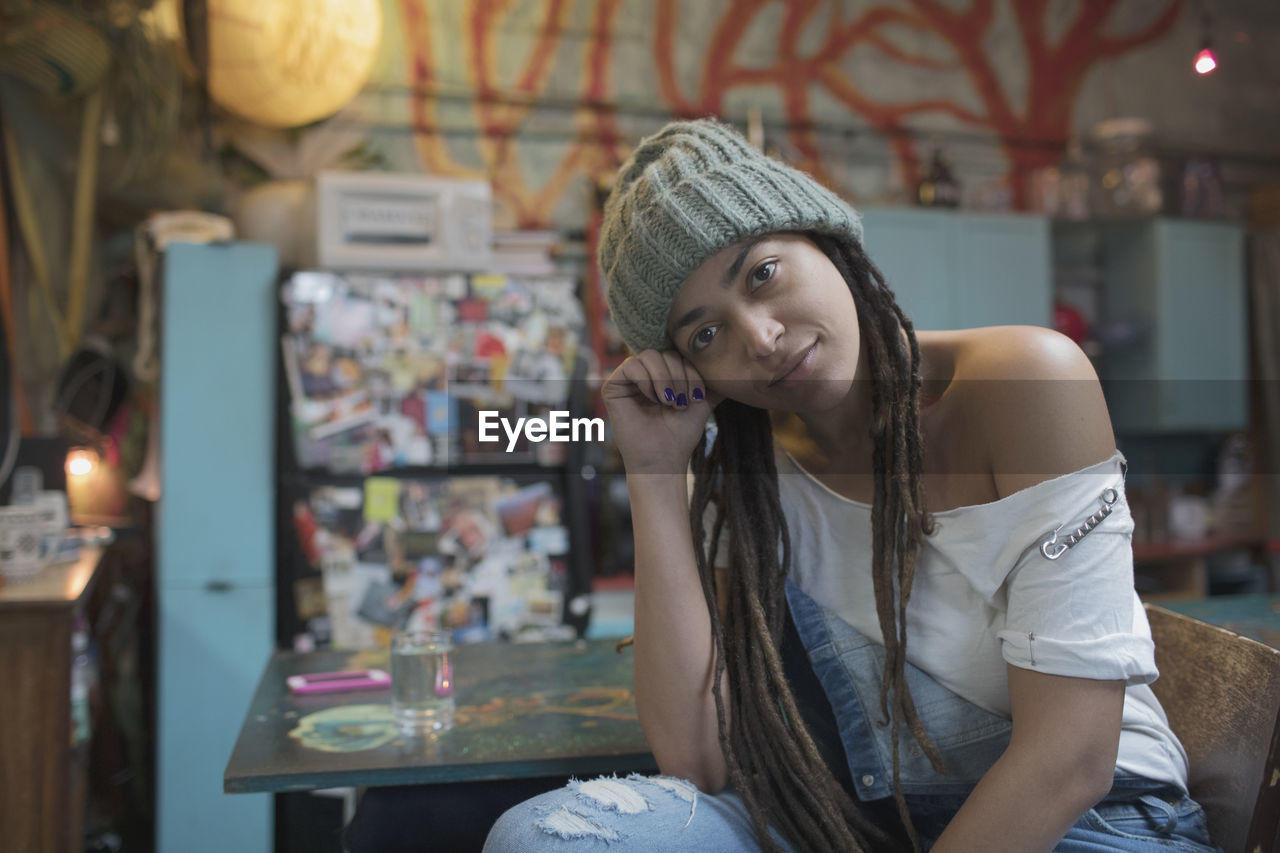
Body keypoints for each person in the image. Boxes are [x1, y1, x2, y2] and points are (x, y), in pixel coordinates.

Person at [483, 119, 1214, 852]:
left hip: (1087, 820)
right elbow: (697, 759)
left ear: (825, 238)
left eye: (761, 273)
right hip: (852, 820)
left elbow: (1070, 760)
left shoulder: (1027, 382)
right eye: (706, 335)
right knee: (542, 837)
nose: (760, 337)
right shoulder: (745, 475)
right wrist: (654, 469)